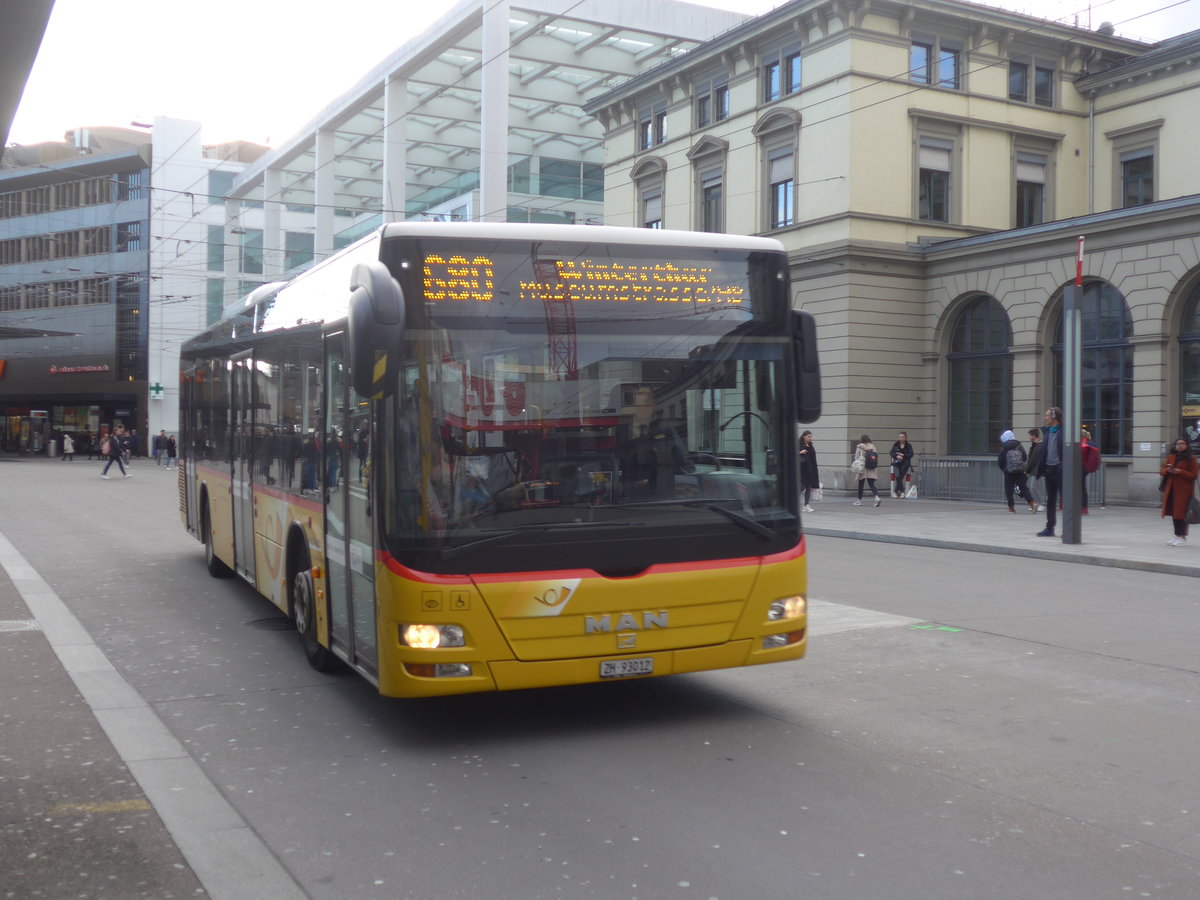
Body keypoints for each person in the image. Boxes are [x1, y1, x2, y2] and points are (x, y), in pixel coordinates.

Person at [1160, 437, 1198, 546]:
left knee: (1181, 513)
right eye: (1178, 444)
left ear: (1187, 446)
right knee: (1174, 513)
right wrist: (1168, 470)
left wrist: (1180, 471)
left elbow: (1194, 475)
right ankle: (1177, 535)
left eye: (1182, 443)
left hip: (1184, 491)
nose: (1180, 445)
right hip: (1171, 489)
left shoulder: (1191, 458)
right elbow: (1162, 472)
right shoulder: (1171, 457)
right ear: (1175, 446)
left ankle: (1182, 536)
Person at [1035, 407, 1063, 536]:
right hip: (1049, 470)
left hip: (1060, 470)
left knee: (1066, 500)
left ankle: (1068, 527)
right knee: (1050, 500)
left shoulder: (1064, 431)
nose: (1045, 418)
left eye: (1047, 415)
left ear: (1054, 416)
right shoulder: (1046, 432)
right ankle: (1050, 528)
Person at [997, 430, 1038, 514]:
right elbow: (1024, 458)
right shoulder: (1019, 445)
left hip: (1009, 472)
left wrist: (1004, 469)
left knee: (1009, 490)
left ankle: (1011, 508)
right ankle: (1032, 503)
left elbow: (1000, 461)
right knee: (1024, 488)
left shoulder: (1004, 447)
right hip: (1020, 470)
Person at [852, 434, 882, 507]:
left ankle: (859, 500)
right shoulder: (872, 446)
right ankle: (877, 497)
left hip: (862, 468)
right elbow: (875, 456)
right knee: (872, 484)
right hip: (871, 467)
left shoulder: (859, 447)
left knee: (861, 485)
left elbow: (856, 457)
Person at [799, 430, 820, 513]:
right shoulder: (799, 445)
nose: (810, 438)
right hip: (801, 470)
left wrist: (814, 470)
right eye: (808, 436)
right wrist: (800, 452)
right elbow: (791, 454)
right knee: (801, 487)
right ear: (804, 436)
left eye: (811, 436)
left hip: (810, 469)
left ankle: (806, 505)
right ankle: (792, 502)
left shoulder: (811, 446)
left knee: (808, 487)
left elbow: (813, 458)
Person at [1024, 428, 1045, 511]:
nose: (1029, 437)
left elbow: (1033, 459)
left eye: (1030, 436)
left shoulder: (1038, 446)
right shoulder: (1036, 445)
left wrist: (1027, 470)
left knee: (1033, 487)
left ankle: (1040, 504)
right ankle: (1036, 504)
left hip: (1036, 470)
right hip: (1035, 470)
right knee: (1033, 487)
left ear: (1033, 436)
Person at [889, 431, 914, 498]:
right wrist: (896, 456)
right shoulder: (896, 444)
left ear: (905, 438)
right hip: (896, 463)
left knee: (900, 477)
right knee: (897, 476)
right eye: (900, 437)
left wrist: (903, 455)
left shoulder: (908, 445)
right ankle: (902, 491)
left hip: (905, 464)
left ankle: (896, 491)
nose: (901, 438)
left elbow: (911, 454)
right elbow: (891, 453)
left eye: (902, 437)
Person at [1080, 429, 1100, 514]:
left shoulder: (1082, 444)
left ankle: (1081, 507)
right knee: (1082, 488)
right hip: (1085, 468)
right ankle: (1084, 508)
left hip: (1079, 467)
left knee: (1079, 488)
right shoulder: (1089, 443)